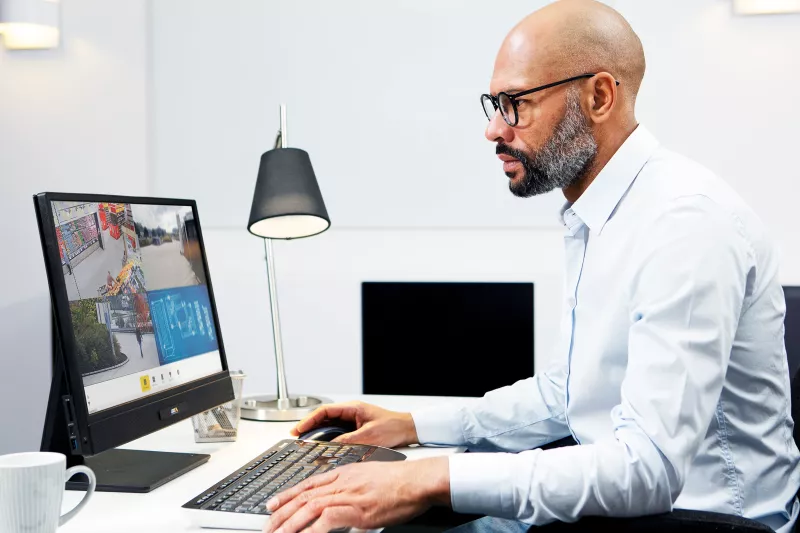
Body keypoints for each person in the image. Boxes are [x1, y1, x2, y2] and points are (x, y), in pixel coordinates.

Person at [262, 1, 800, 532]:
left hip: (708, 521)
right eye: (494, 104)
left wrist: (433, 477)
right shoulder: (601, 215)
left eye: (515, 103)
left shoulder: (685, 225)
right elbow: (566, 396)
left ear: (599, 95)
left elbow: (649, 467)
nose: (495, 130)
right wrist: (414, 426)